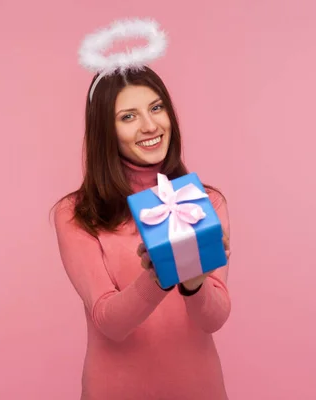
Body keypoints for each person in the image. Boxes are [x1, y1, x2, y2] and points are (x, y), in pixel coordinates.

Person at [52, 18, 232, 400]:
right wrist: (158, 275)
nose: (150, 126)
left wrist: (195, 282)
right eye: (128, 117)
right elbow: (110, 323)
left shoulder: (205, 200)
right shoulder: (75, 213)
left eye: (156, 108)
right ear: (105, 130)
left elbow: (213, 319)